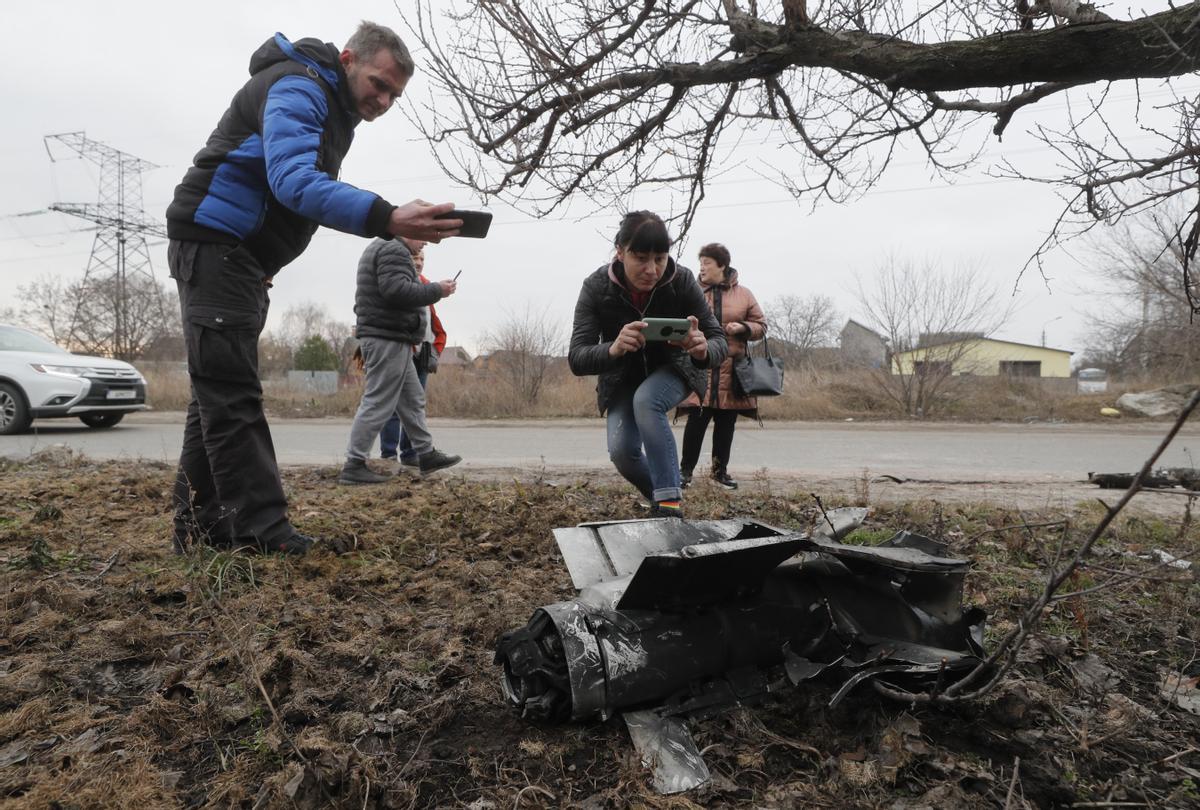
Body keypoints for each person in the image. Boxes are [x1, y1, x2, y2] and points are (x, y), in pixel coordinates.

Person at [165, 21, 463, 556]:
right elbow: (293, 182)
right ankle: (261, 532)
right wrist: (388, 216)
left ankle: (201, 528)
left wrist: (262, 259)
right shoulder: (300, 87)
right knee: (231, 394)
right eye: (379, 83)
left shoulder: (332, 108)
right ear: (348, 59)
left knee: (215, 392)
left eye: (395, 94)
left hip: (238, 256)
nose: (385, 100)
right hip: (216, 245)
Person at [568, 211, 727, 518]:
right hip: (621, 377)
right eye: (641, 258)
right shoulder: (596, 287)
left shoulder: (681, 281)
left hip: (676, 369)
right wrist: (612, 349)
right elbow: (577, 357)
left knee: (648, 399)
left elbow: (718, 339)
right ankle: (659, 499)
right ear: (620, 252)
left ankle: (669, 506)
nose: (652, 270)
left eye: (660, 258)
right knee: (622, 452)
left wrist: (702, 348)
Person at [340, 238, 461, 484]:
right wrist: (438, 290)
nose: (426, 242)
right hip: (388, 338)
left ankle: (425, 454)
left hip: (394, 338)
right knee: (378, 401)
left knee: (412, 398)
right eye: (424, 235)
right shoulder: (393, 249)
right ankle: (354, 464)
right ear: (410, 227)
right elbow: (397, 291)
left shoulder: (386, 247)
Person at [677, 243, 768, 491]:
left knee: (726, 425)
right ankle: (684, 473)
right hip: (700, 369)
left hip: (732, 372)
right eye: (701, 263)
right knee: (695, 422)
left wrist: (743, 328)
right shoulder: (692, 292)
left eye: (707, 262)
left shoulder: (744, 294)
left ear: (722, 266)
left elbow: (761, 325)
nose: (702, 268)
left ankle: (720, 473)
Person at [377, 242, 447, 471]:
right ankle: (388, 455)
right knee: (393, 406)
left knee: (416, 405)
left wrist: (435, 350)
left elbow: (436, 327)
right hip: (399, 351)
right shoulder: (397, 285)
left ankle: (410, 453)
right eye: (414, 258)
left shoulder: (427, 287)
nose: (418, 263)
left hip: (422, 356)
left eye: (422, 260)